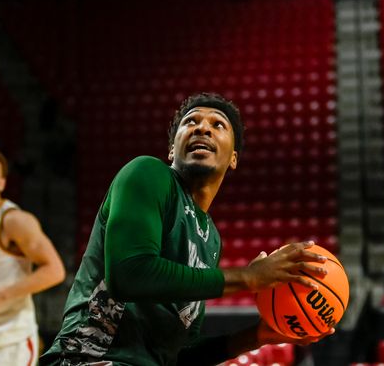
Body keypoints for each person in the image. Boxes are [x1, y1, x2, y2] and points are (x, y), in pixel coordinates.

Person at [41, 93, 334, 365]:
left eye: (218, 124)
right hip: (88, 358)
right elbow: (129, 274)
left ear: (233, 158)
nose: (202, 128)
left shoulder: (211, 240)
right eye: (191, 121)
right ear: (172, 148)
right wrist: (247, 277)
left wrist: (258, 336)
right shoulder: (148, 174)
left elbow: (176, 358)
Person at [0, 147, 66, 366]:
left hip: (10, 338)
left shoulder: (14, 220)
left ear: (2, 183)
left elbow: (55, 270)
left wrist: (0, 296)